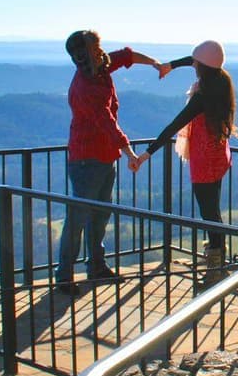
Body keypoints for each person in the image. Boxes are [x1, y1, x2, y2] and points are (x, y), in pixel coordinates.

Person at [54, 30, 160, 295]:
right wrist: (131, 154)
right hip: (86, 160)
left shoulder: (99, 68)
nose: (100, 50)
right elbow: (107, 123)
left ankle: (96, 266)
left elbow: (126, 56)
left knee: (99, 216)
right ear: (88, 52)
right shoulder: (86, 87)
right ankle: (64, 276)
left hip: (103, 157)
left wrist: (156, 64)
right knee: (78, 219)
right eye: (96, 46)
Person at [134, 40, 237, 286]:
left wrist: (146, 154)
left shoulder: (202, 97)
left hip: (204, 161)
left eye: (196, 63)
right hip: (218, 156)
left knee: (209, 214)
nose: (193, 65)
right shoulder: (220, 82)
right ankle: (217, 261)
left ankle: (216, 268)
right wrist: (169, 65)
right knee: (213, 212)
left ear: (202, 66)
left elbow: (174, 125)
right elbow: (193, 60)